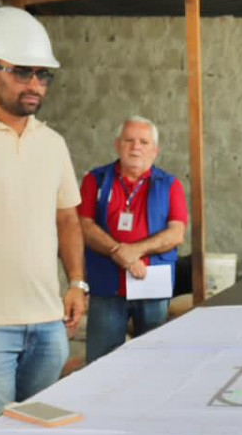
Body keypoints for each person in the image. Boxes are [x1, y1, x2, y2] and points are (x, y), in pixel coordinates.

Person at [0, 6, 86, 415]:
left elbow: (67, 218)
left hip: (49, 322)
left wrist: (77, 283)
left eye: (43, 75)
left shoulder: (51, 142)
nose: (35, 85)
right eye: (22, 73)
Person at [79, 117, 188, 363]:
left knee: (153, 362)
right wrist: (118, 252)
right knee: (102, 362)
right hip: (107, 285)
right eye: (129, 140)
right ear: (117, 145)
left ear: (155, 150)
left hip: (152, 285)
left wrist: (135, 251)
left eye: (143, 142)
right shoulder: (95, 180)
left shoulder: (170, 185)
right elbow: (83, 226)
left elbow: (176, 233)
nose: (135, 147)